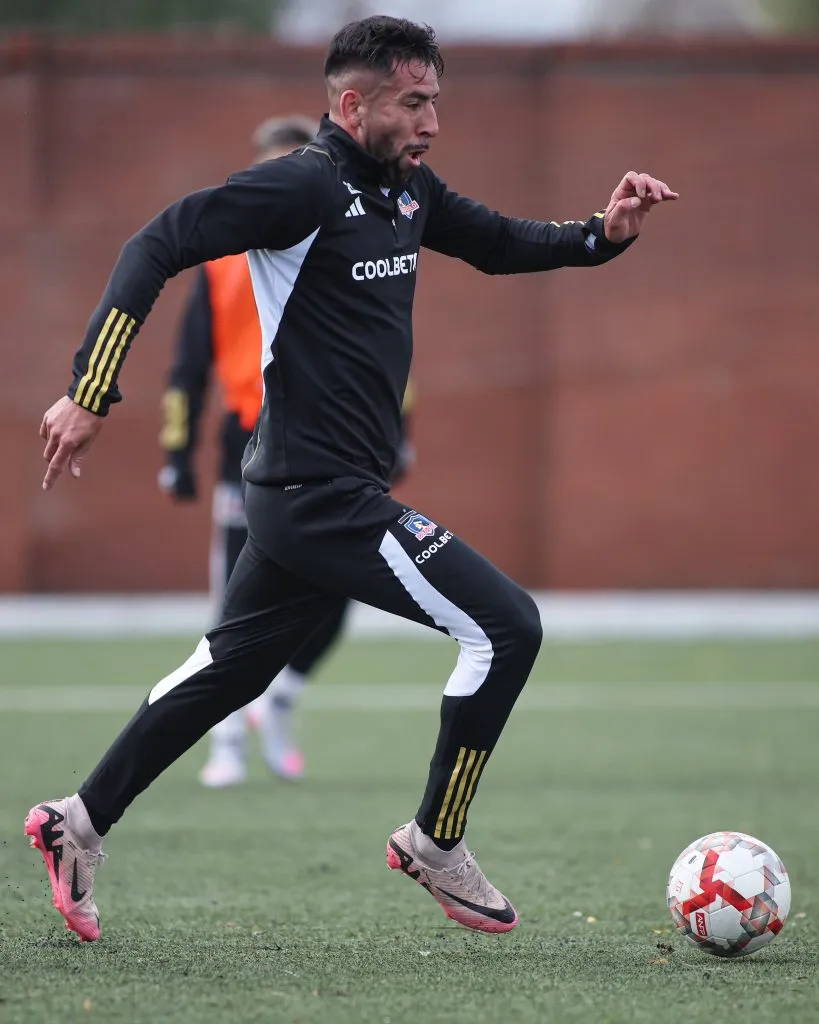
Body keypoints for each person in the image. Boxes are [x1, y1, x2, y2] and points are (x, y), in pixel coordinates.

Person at [28, 15, 677, 942]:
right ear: (351, 103)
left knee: (227, 671)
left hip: (310, 496)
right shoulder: (299, 185)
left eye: (436, 103)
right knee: (505, 625)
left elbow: (497, 241)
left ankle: (75, 823)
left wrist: (600, 235)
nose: (432, 123)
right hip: (316, 494)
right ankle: (435, 842)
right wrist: (92, 390)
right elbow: (155, 242)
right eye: (414, 103)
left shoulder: (406, 192)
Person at [158, 114, 415, 787]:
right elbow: (188, 364)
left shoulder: (340, 238)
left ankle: (280, 696)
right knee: (235, 601)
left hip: (334, 438)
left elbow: (383, 348)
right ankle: (224, 746)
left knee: (339, 587)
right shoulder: (220, 260)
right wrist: (178, 450)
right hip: (251, 440)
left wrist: (402, 431)